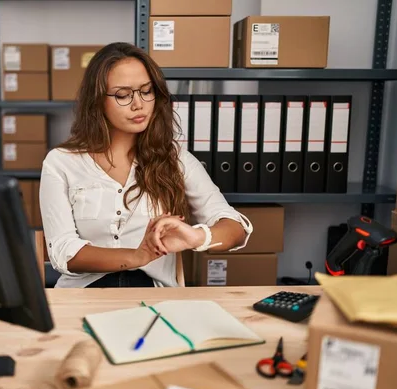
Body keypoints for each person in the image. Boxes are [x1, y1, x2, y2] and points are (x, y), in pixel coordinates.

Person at [39, 42, 252, 288]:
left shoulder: (175, 158)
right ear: (97, 101)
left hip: (153, 297)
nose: (138, 104)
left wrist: (196, 236)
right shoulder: (61, 162)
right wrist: (137, 256)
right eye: (123, 95)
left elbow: (236, 228)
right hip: (82, 296)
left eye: (146, 91)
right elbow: (64, 252)